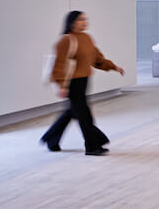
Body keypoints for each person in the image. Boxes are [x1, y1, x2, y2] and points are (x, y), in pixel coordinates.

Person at [41, 10, 124, 155]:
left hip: (84, 81)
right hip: (72, 82)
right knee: (84, 115)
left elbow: (97, 58)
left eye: (85, 19)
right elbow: (59, 64)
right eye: (81, 19)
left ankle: (51, 138)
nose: (85, 22)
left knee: (73, 111)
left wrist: (113, 66)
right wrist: (61, 85)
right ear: (72, 22)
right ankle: (93, 145)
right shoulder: (66, 40)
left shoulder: (87, 38)